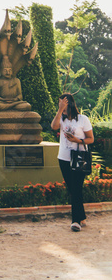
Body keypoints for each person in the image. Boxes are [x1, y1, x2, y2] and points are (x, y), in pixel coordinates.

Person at [51, 93, 94, 231]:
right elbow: (53, 127)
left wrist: (77, 141)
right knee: (72, 188)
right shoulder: (61, 119)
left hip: (79, 158)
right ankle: (81, 216)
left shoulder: (83, 119)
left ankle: (75, 221)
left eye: (62, 103)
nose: (60, 105)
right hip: (63, 158)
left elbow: (90, 139)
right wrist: (59, 111)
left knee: (76, 188)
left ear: (69, 103)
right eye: (59, 103)